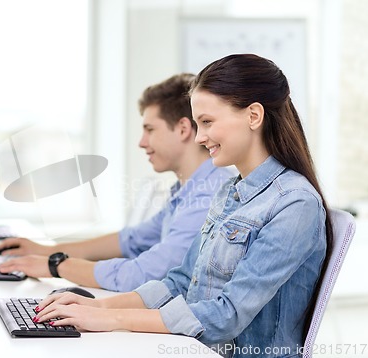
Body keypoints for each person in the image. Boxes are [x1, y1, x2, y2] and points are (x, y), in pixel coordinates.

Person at [33, 54, 333, 358]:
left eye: (207, 122)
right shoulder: (230, 192)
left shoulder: (295, 203)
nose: (199, 137)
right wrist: (98, 306)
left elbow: (226, 316)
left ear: (253, 116)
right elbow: (180, 280)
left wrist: (110, 318)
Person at [0, 73, 232, 292]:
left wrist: (55, 265)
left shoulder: (209, 196)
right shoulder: (188, 190)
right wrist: (43, 251)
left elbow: (142, 274)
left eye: (150, 129)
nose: (141, 142)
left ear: (182, 129)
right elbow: (130, 240)